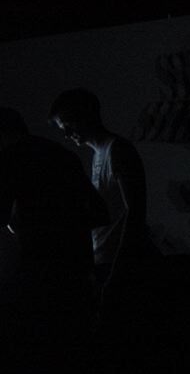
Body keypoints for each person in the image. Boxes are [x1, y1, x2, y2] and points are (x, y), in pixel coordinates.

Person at [49, 88, 163, 371]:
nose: (67, 134)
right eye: (63, 128)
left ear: (85, 116)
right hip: (107, 263)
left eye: (68, 125)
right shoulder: (99, 154)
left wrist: (118, 270)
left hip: (121, 266)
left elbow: (135, 213)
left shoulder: (118, 150)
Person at [0, 107, 109, 372]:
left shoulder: (11, 159)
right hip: (77, 271)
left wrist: (26, 223)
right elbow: (98, 212)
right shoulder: (62, 155)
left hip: (39, 273)